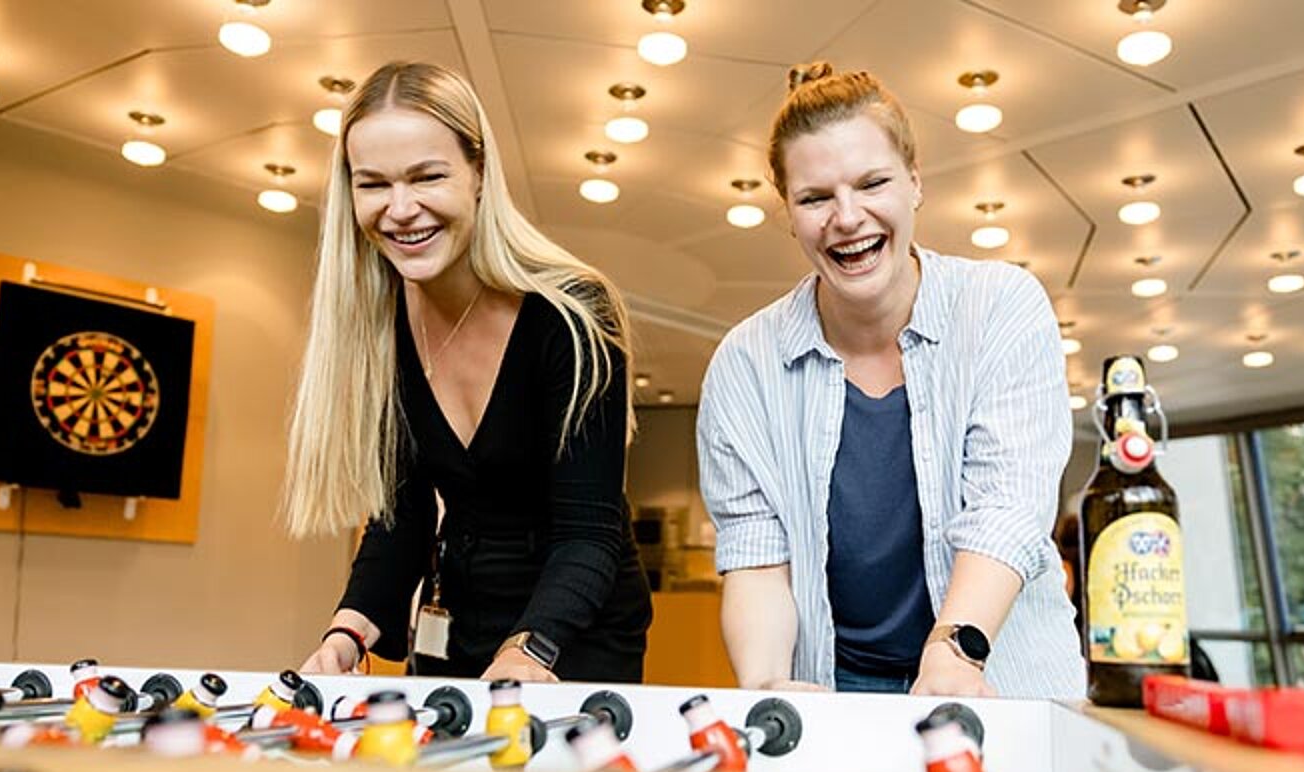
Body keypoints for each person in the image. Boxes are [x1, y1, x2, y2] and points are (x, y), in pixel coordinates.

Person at [697, 63, 1084, 699]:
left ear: (915, 182)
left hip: (998, 674)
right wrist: (767, 682)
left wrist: (953, 653)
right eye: (815, 198)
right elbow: (757, 558)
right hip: (837, 689)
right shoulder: (745, 364)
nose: (847, 217)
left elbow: (1006, 509)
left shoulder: (1000, 306)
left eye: (872, 183)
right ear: (788, 211)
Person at [285, 61, 651, 683]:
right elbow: (401, 519)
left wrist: (526, 651)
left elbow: (590, 532)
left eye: (427, 176)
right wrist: (345, 634)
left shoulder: (573, 314)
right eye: (373, 184)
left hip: (575, 627)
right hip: (457, 614)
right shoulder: (381, 326)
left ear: (479, 173)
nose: (401, 209)